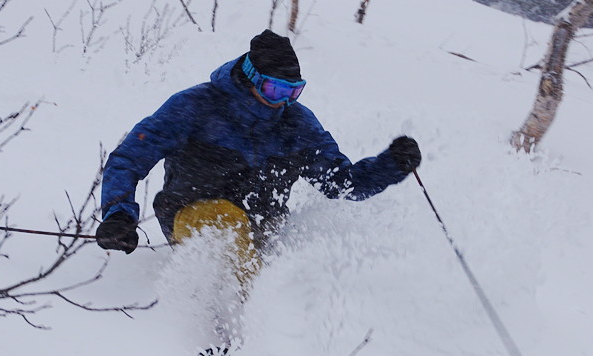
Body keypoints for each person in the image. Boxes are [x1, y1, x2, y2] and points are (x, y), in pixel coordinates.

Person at [96, 29, 422, 313]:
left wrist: (391, 165)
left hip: (261, 229)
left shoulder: (298, 125)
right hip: (190, 216)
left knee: (276, 244)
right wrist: (119, 214)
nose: (282, 101)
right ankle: (229, 321)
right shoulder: (195, 107)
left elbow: (342, 184)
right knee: (225, 220)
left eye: (293, 92)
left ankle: (288, 321)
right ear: (251, 78)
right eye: (275, 90)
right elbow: (130, 158)